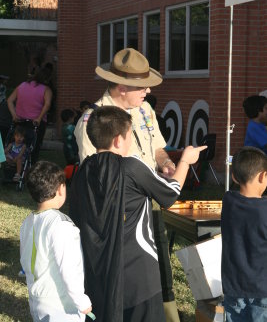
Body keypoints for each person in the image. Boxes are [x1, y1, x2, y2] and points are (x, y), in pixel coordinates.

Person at [70, 106, 206, 322]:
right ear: (118, 140)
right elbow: (170, 194)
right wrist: (186, 161)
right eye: (129, 136)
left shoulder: (84, 169)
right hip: (139, 271)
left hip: (100, 270)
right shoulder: (131, 166)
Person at [74, 48, 180, 321]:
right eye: (142, 86)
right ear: (122, 87)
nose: (147, 90)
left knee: (158, 273)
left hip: (149, 207)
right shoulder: (92, 120)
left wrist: (166, 163)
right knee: (125, 284)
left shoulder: (144, 110)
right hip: (117, 223)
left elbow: (157, 148)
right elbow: (96, 178)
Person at [20, 160, 92, 321]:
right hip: (61, 305)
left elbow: (24, 258)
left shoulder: (27, 222)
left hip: (37, 300)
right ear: (61, 189)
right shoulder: (62, 224)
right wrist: (81, 301)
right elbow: (69, 268)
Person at [221, 146, 267, 322]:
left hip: (233, 289)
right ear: (263, 176)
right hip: (262, 291)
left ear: (233, 177)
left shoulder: (228, 201)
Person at [7, 66, 53, 163]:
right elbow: (47, 105)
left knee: (16, 145)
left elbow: (10, 100)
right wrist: (39, 118)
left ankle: (13, 167)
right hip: (35, 123)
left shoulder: (22, 85)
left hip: (19, 121)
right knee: (34, 147)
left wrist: (14, 115)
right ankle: (30, 166)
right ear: (47, 78)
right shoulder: (46, 89)